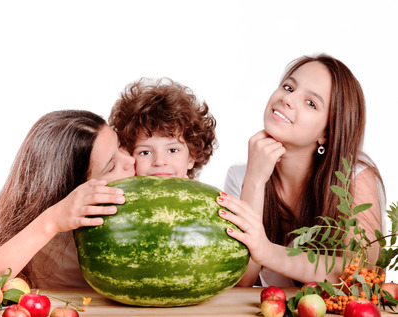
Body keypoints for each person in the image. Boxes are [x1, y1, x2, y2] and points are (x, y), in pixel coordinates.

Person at [216, 54, 386, 287]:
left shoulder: (354, 178)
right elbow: (240, 281)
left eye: (311, 103)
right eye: (288, 87)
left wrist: (267, 252)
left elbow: (359, 274)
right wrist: (255, 181)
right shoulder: (241, 176)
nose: (288, 98)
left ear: (326, 133)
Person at [0, 110, 136, 288]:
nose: (130, 160)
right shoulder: (47, 241)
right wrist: (51, 221)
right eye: (112, 166)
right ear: (74, 193)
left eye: (121, 145)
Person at [108, 77, 217, 179]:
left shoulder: (205, 198)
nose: (159, 161)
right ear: (129, 157)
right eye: (145, 152)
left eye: (172, 150)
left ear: (191, 158)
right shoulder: (117, 197)